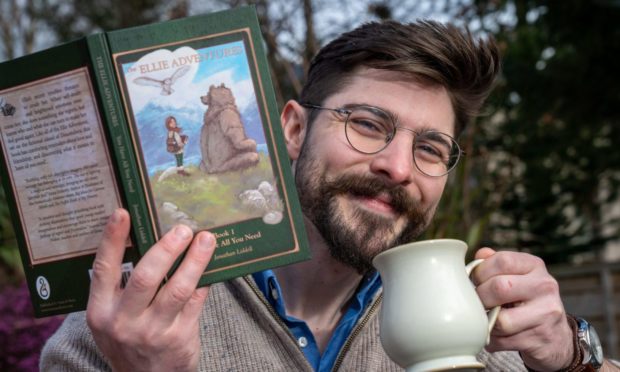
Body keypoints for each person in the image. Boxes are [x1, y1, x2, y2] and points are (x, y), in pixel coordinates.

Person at [40, 19, 617, 372]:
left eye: (432, 149)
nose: (397, 167)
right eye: (367, 123)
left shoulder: (473, 326)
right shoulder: (130, 323)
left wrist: (571, 357)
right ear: (293, 130)